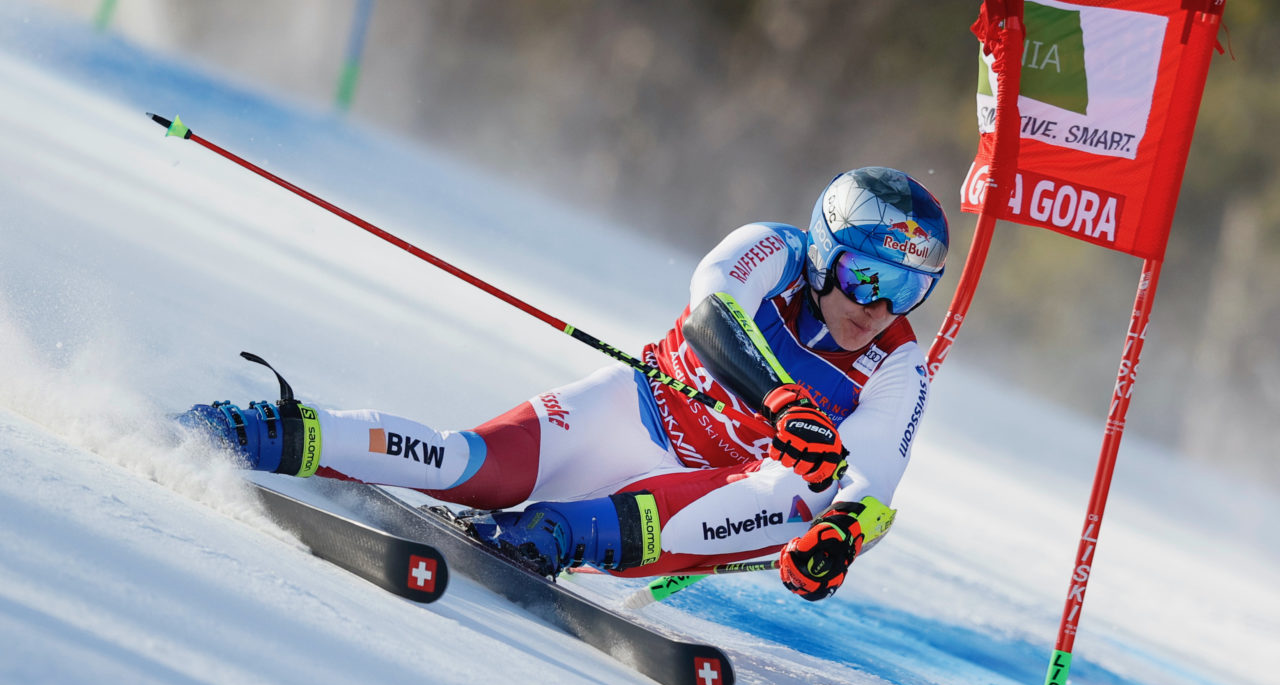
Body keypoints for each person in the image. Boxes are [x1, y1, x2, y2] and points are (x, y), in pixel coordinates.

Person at [183, 166, 949, 601]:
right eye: (865, 274)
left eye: (907, 290)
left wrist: (837, 541)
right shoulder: (768, 252)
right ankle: (280, 431)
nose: (877, 308)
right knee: (464, 465)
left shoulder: (899, 368)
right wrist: (780, 399)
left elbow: (874, 479)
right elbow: (710, 321)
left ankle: (557, 534)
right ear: (822, 249)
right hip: (638, 412)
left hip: (713, 494)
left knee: (809, 489)